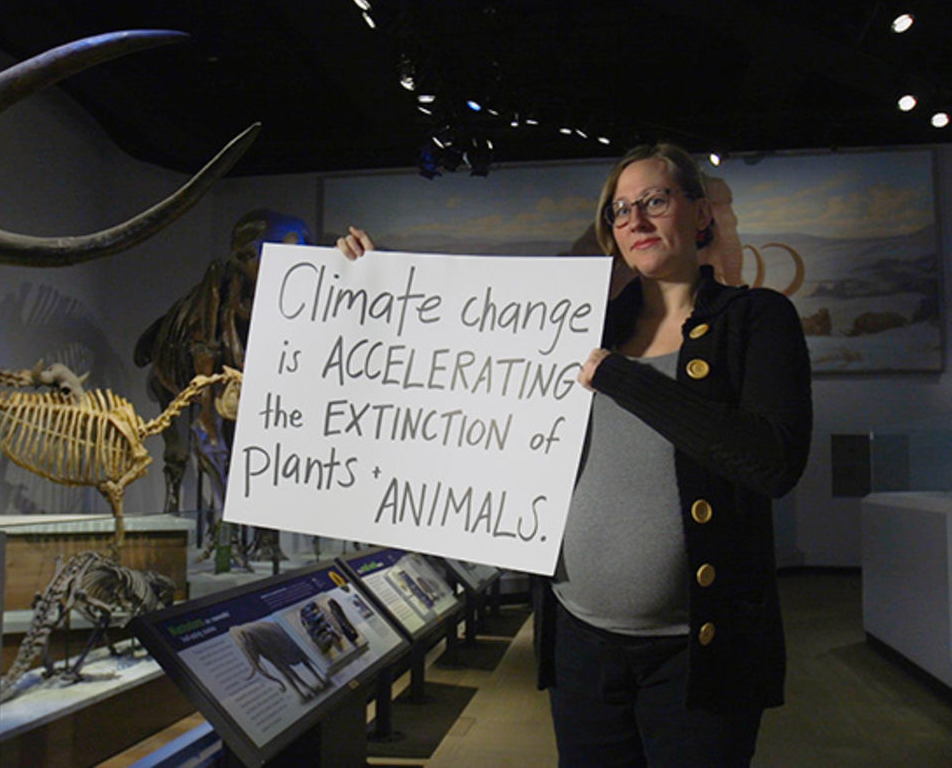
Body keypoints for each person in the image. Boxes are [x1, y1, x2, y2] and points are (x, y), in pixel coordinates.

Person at [336, 142, 812, 767]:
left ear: (700, 214)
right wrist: (380, 287)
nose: (635, 221)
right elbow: (467, 366)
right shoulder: (583, 325)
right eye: (619, 210)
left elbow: (773, 460)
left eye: (655, 201)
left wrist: (626, 379)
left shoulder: (756, 319)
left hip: (698, 650)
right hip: (582, 644)